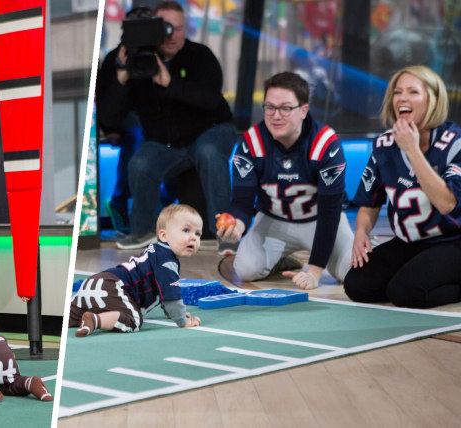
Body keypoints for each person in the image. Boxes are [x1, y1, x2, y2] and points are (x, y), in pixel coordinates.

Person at [96, 1, 237, 253]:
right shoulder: (132, 60)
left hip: (211, 130)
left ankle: (226, 234)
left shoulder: (200, 55)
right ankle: (142, 232)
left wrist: (169, 82)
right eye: (167, 29)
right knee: (140, 164)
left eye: (179, 29)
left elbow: (209, 99)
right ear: (153, 30)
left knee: (208, 152)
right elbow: (108, 116)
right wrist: (122, 76)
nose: (173, 36)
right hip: (165, 142)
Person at [216, 72, 353, 290]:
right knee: (245, 270)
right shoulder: (252, 142)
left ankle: (332, 254)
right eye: (270, 107)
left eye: (285, 108)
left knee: (353, 272)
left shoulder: (324, 143)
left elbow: (330, 213)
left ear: (303, 110)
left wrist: (314, 272)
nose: (276, 115)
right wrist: (236, 227)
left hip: (319, 220)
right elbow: (242, 203)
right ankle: (281, 260)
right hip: (274, 220)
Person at [344, 65, 461, 308]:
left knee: (406, 293)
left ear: (433, 100)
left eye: (413, 92)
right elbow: (370, 202)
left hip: (452, 241)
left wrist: (412, 150)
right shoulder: (384, 144)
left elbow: (447, 203)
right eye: (398, 92)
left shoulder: (455, 143)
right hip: (409, 241)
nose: (403, 98)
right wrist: (361, 232)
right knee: (357, 285)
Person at [69, 204, 203, 336]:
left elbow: (162, 290)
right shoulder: (167, 262)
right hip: (113, 288)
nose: (193, 237)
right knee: (133, 321)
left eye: (198, 234)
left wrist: (171, 312)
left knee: (70, 316)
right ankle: (95, 320)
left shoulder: (157, 252)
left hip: (95, 282)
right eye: (186, 230)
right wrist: (182, 320)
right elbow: (170, 295)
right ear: (163, 236)